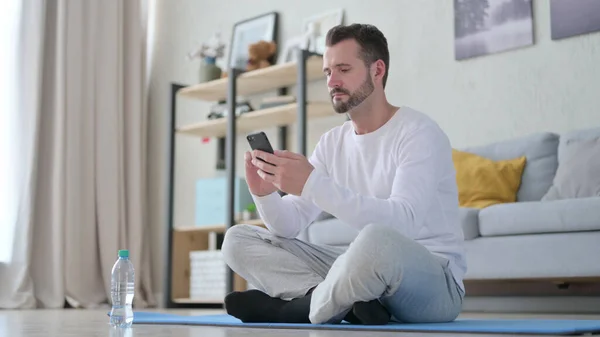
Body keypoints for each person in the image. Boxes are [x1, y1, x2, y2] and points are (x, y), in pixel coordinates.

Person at [221, 23, 466, 325]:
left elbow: (403, 224)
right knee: (237, 238)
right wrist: (265, 194)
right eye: (327, 72)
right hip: (368, 272)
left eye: (344, 69)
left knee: (375, 240)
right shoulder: (332, 143)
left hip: (434, 282)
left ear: (377, 71)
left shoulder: (418, 133)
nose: (332, 81)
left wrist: (313, 183)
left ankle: (294, 310)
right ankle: (340, 302)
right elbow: (289, 226)